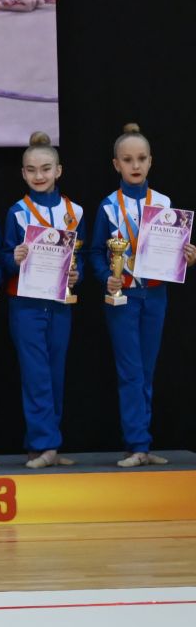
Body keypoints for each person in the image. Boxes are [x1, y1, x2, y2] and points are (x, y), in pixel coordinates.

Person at [88, 123, 195, 467]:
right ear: (116, 164)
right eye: (127, 159)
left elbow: (172, 250)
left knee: (147, 371)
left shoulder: (164, 203)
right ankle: (136, 443)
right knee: (131, 372)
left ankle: (143, 445)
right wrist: (106, 277)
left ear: (150, 161)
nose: (135, 165)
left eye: (141, 159)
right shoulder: (108, 206)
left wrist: (187, 256)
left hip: (156, 295)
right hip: (123, 298)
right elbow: (94, 252)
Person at [0, 131, 83, 469]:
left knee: (55, 374)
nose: (39, 175)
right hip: (26, 305)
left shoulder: (74, 211)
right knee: (35, 376)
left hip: (60, 303)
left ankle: (45, 446)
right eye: (31, 170)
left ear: (58, 171)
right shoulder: (17, 212)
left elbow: (81, 257)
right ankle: (44, 443)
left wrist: (77, 275)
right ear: (23, 173)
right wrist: (13, 257)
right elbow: (3, 258)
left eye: (46, 169)